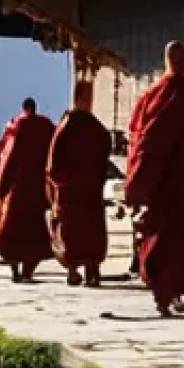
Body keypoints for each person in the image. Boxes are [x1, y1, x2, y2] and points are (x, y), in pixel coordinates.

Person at [126, 42, 184, 316]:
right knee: (180, 239)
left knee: (167, 239)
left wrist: (137, 181)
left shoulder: (152, 97)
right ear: (183, 61)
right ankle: (170, 292)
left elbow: (140, 141)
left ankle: (166, 294)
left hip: (166, 184)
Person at [46, 80, 111, 287]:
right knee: (82, 230)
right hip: (80, 190)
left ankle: (86, 269)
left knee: (79, 231)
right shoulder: (81, 126)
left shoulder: (74, 126)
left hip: (79, 190)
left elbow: (52, 163)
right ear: (80, 98)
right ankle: (80, 270)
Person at [0, 97, 55, 282]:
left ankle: (15, 270)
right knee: (35, 232)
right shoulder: (46, 126)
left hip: (18, 189)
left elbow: (8, 157)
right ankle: (28, 271)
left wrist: (0, 183)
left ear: (23, 108)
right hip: (38, 188)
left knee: (12, 231)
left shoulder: (17, 126)